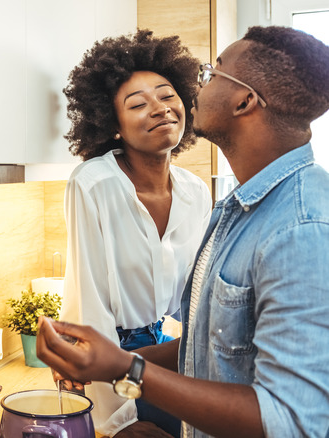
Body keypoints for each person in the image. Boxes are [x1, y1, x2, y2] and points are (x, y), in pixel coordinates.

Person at [38, 25, 329, 438]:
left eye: (213, 73)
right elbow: (217, 340)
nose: (195, 86)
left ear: (244, 100)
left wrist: (126, 367)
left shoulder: (302, 229)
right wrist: (108, 363)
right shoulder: (239, 208)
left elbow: (294, 422)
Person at [60, 29, 212, 436]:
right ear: (113, 124)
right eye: (138, 104)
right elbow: (86, 302)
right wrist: (118, 420)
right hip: (108, 363)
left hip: (171, 359)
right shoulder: (92, 185)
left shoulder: (197, 193)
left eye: (167, 95)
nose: (160, 109)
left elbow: (197, 296)